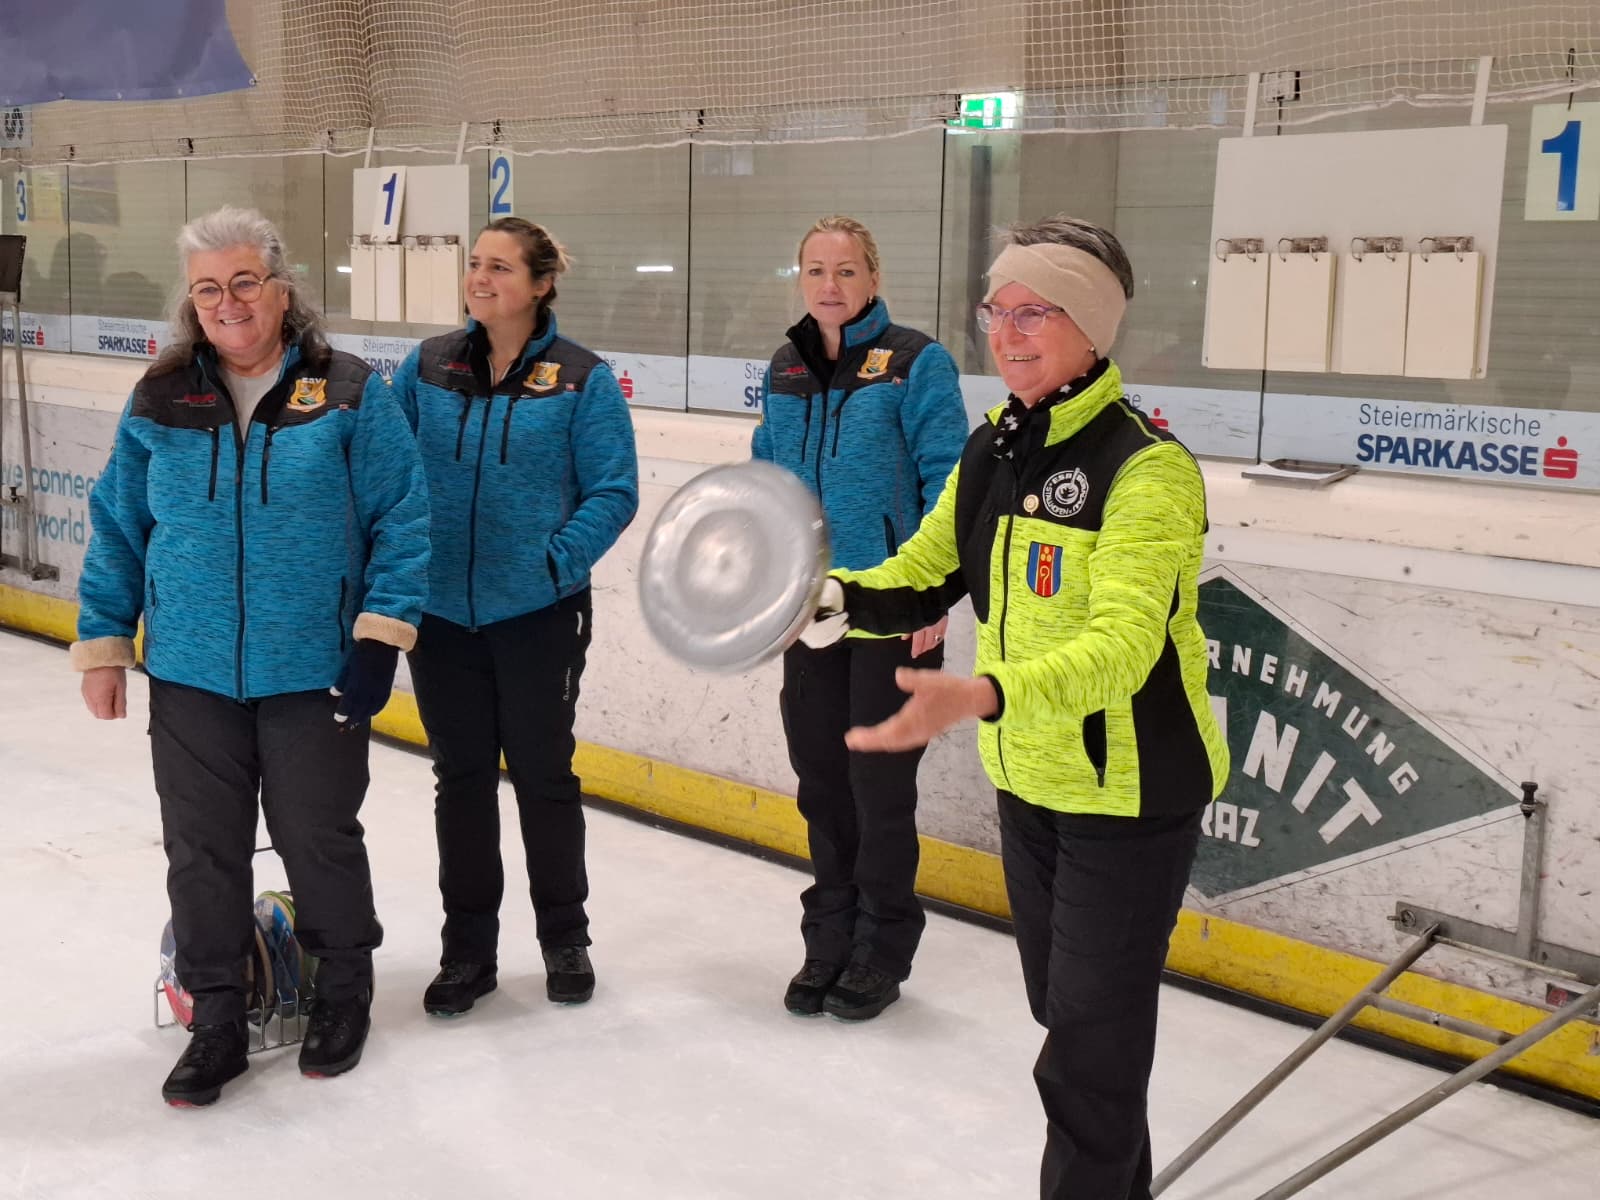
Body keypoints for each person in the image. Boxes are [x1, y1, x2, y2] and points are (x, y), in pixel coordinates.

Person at [799, 216, 1229, 1199]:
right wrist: (825, 601)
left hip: (1127, 789)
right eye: (997, 309)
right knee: (1075, 1021)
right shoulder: (996, 447)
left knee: (1086, 1042)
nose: (1008, 331)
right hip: (1029, 777)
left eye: (1035, 311)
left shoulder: (1146, 471)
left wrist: (982, 691)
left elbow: (1121, 650)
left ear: (1092, 325)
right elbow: (923, 569)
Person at [71, 206, 430, 1106]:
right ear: (191, 302)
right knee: (202, 851)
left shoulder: (347, 390)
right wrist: (106, 645)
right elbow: (119, 525)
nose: (227, 302)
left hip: (313, 672)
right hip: (192, 672)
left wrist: (380, 638)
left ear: (279, 289)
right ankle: (217, 1020)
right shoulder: (160, 397)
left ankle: (343, 993)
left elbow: (402, 517)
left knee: (319, 839)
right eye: (207, 288)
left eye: (243, 282)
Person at [390, 218, 639, 1017]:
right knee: (460, 781)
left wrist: (552, 562)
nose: (480, 277)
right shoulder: (426, 367)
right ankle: (468, 951)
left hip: (537, 615)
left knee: (543, 777)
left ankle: (565, 937)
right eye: (474, 264)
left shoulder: (581, 379)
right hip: (439, 617)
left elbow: (613, 491)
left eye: (500, 267)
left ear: (539, 285)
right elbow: (386, 469)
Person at [753, 215, 967, 1021]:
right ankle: (828, 939)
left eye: (846, 271)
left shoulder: (916, 363)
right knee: (821, 786)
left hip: (891, 615)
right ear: (800, 279)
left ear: (873, 279)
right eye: (815, 271)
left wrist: (933, 598)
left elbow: (953, 484)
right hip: (808, 615)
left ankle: (882, 947)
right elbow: (767, 483)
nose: (830, 286)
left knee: (880, 793)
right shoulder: (784, 368)